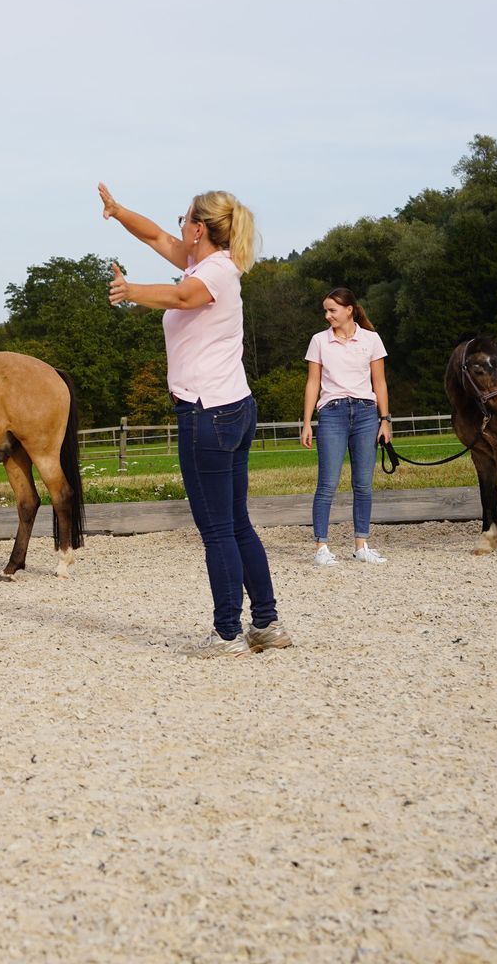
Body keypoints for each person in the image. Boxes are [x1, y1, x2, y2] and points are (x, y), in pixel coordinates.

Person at [99, 183, 289, 658]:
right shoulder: (205, 263)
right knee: (237, 524)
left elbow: (183, 299)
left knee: (219, 530)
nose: (179, 226)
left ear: (200, 228)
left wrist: (131, 291)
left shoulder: (215, 274)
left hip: (207, 412)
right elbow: (156, 237)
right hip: (231, 408)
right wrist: (118, 211)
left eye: (185, 219)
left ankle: (226, 634)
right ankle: (266, 624)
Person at [300, 288, 393, 566]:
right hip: (332, 413)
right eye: (325, 311)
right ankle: (321, 547)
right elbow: (313, 382)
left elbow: (380, 383)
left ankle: (361, 545)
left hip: (366, 414)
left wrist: (385, 420)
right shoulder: (319, 341)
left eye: (332, 310)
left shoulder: (371, 339)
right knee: (327, 484)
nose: (327, 315)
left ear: (349, 310)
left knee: (363, 484)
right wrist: (307, 422)